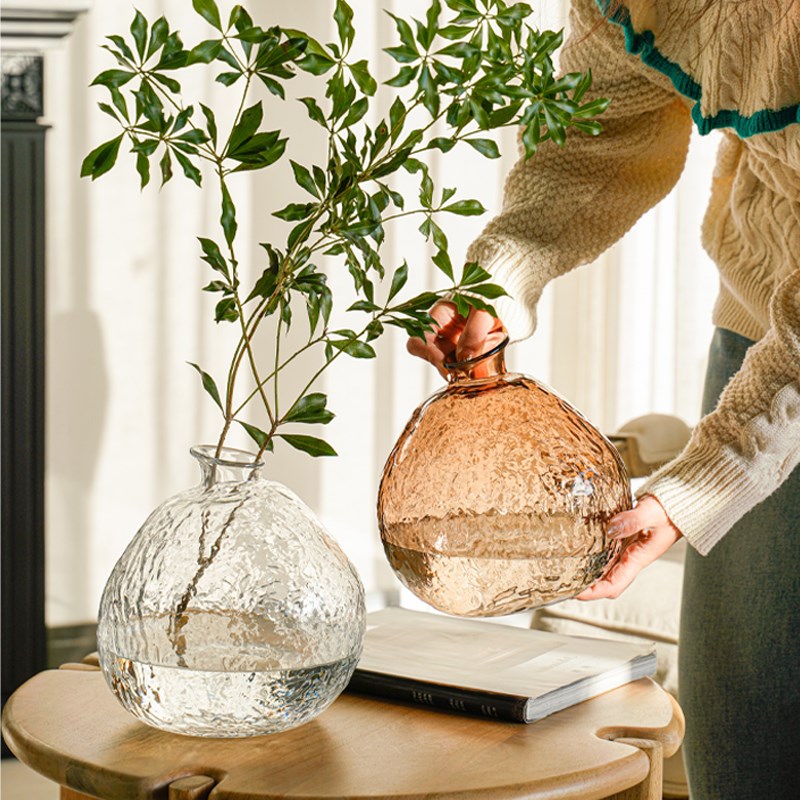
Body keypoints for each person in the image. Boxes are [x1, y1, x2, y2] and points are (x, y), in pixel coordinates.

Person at [408, 1, 800, 797]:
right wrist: (501, 280)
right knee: (744, 743)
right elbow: (598, 137)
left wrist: (696, 487)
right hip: (759, 332)